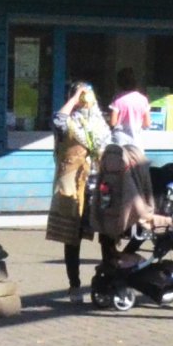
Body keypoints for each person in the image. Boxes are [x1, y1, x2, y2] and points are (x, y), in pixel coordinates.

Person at [46, 83, 109, 296]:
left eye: (87, 94)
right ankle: (75, 285)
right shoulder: (69, 124)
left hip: (98, 187)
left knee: (108, 235)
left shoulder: (99, 123)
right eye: (81, 95)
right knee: (72, 237)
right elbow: (58, 120)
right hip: (73, 188)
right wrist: (73, 99)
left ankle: (108, 280)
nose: (85, 99)